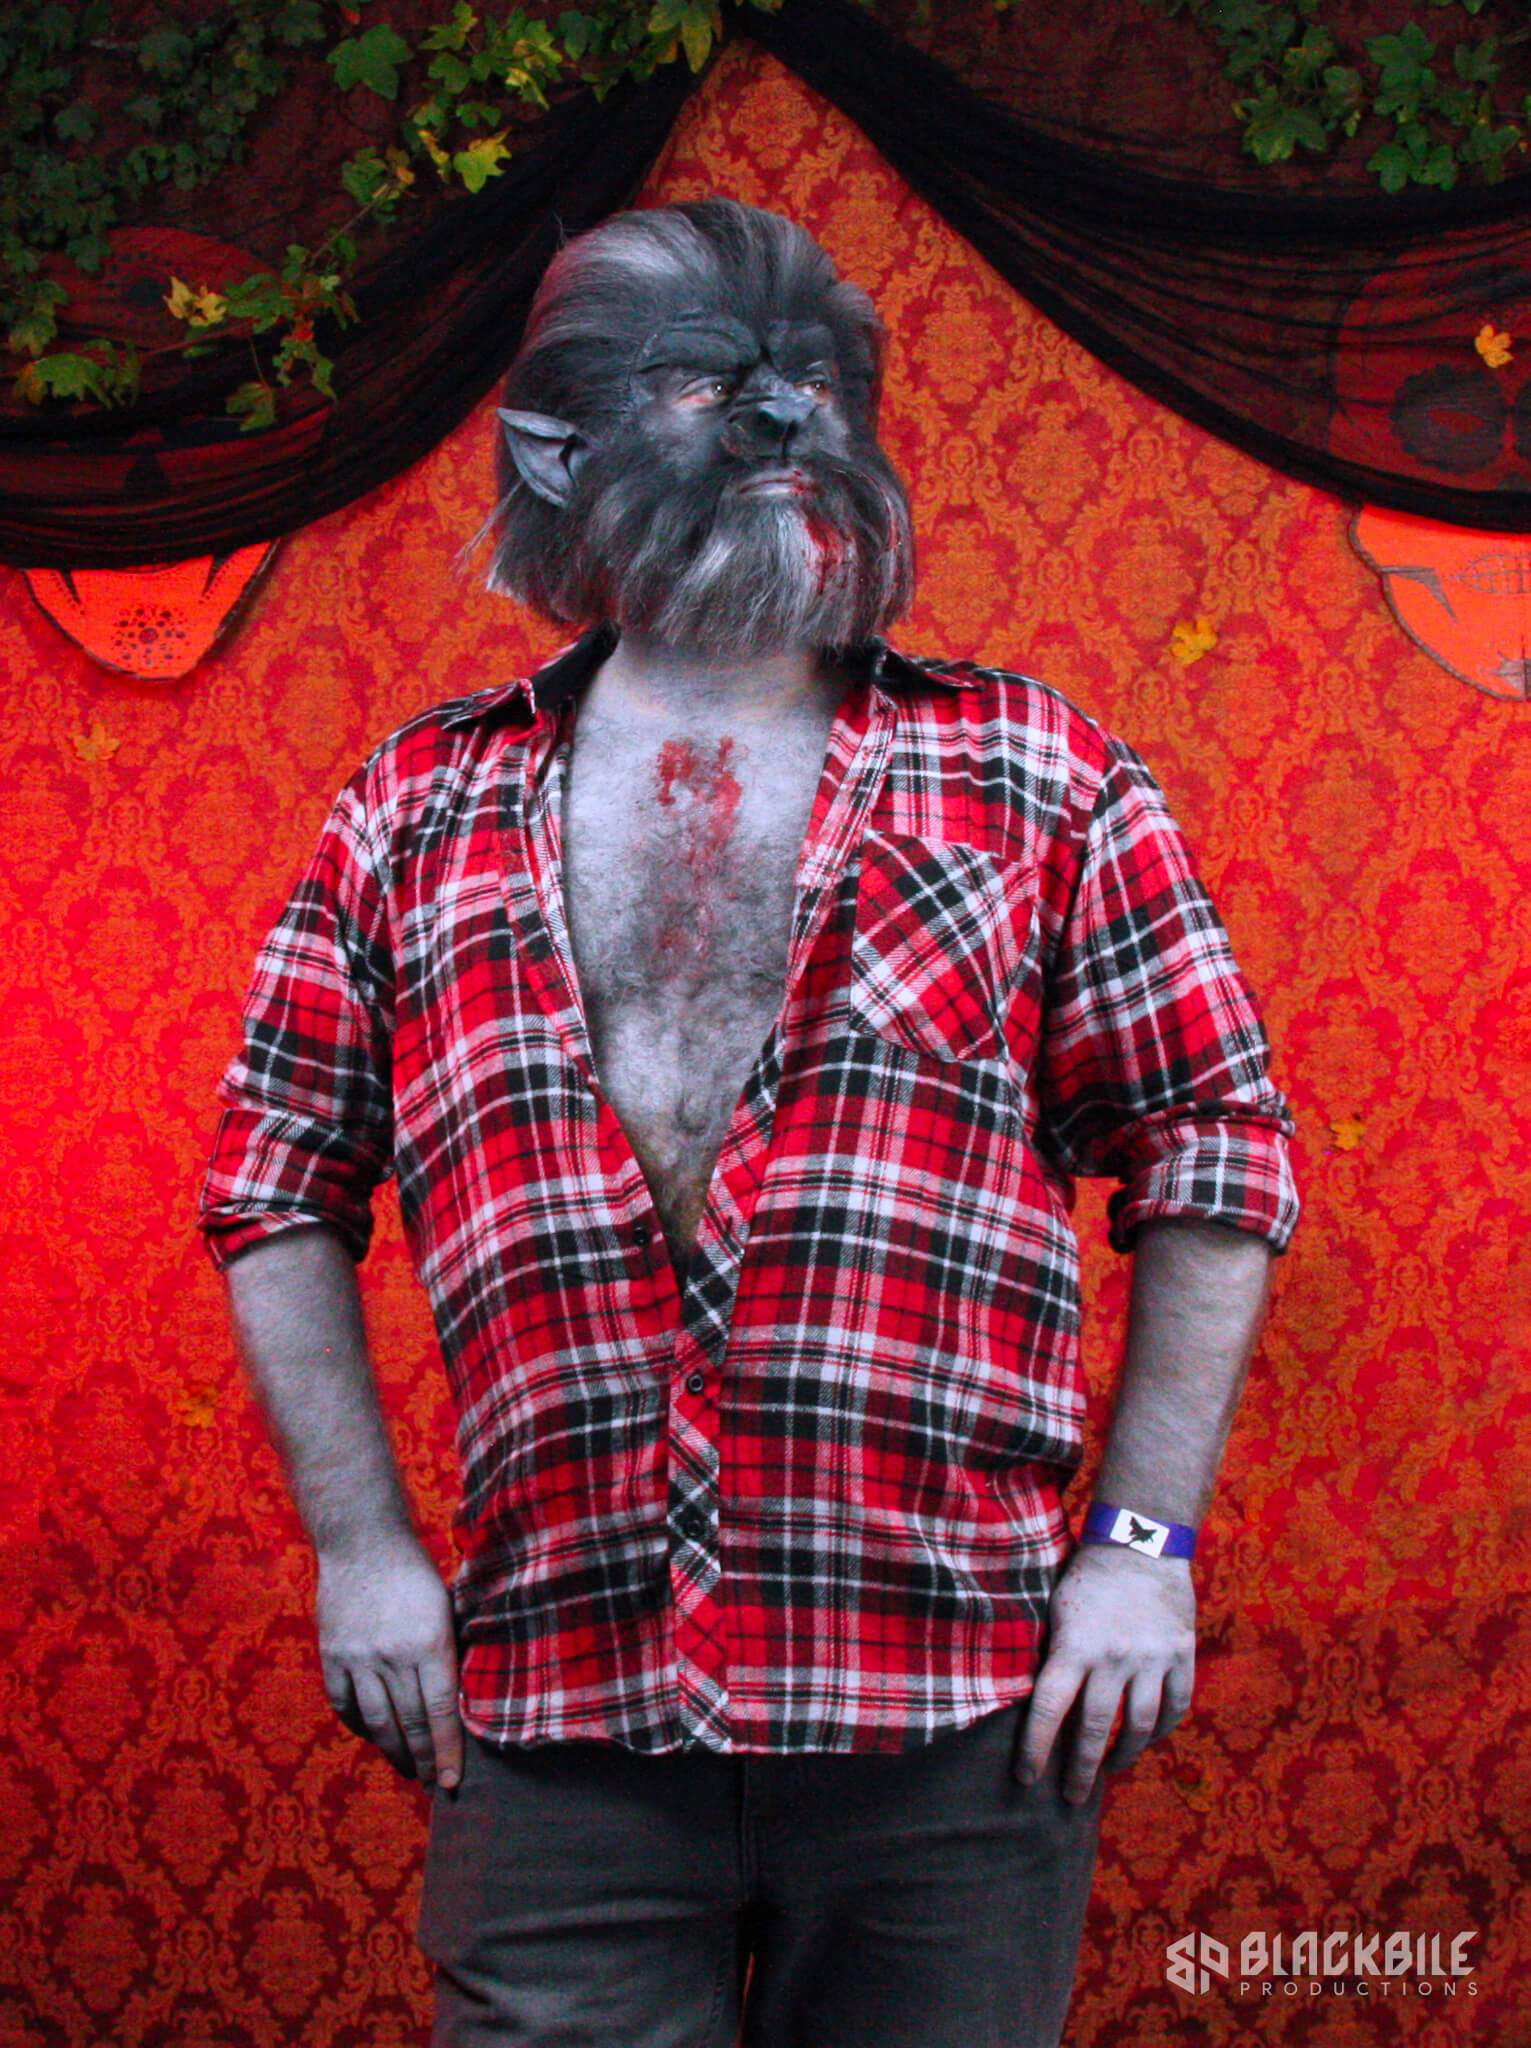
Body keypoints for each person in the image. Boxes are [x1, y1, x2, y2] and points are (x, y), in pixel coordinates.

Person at [200, 199, 1298, 2048]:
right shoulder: (411, 808)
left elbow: (1213, 1143)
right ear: (559, 450)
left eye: (817, 383)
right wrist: (361, 1546)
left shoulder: (1040, 773)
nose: (787, 421)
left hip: (956, 1718)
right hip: (551, 1717)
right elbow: (271, 1177)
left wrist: (1143, 1548)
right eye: (710, 385)